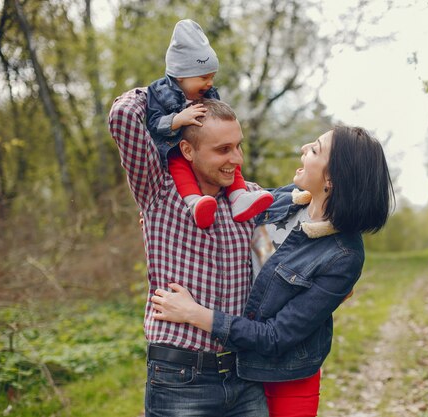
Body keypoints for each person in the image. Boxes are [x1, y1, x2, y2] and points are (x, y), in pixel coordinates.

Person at [150, 126, 395, 416]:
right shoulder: (283, 200)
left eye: (315, 149)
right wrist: (162, 215)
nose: (304, 147)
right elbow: (218, 203)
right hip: (234, 367)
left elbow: (276, 337)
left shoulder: (344, 255)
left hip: (286, 377)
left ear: (331, 178)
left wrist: (194, 313)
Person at [109, 92, 268, 417]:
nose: (236, 159)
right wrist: (179, 90)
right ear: (188, 150)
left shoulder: (248, 198)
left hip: (245, 377)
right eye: (223, 149)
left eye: (238, 146)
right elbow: (123, 116)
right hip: (180, 378)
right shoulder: (158, 191)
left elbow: (305, 207)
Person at [147, 19, 272, 229]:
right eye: (204, 77)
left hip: (203, 143)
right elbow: (153, 123)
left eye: (212, 77)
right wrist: (177, 120)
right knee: (179, 165)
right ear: (180, 76)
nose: (210, 83)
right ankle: (195, 202)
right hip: (175, 147)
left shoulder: (209, 93)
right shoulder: (160, 92)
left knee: (231, 156)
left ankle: (239, 196)